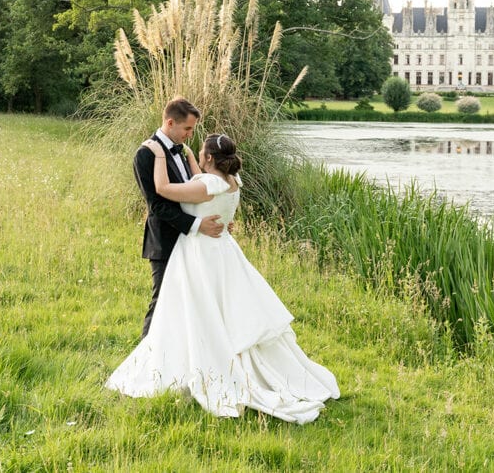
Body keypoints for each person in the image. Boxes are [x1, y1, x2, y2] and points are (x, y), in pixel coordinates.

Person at [106, 133, 339, 423]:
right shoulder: (232, 182)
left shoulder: (206, 185)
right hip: (224, 252)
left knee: (201, 310)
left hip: (199, 254)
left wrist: (160, 154)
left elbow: (162, 188)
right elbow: (201, 184)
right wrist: (193, 157)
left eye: (201, 152)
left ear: (209, 159)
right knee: (225, 311)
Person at [134, 98, 223, 338]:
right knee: (162, 300)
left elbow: (193, 193)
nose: (190, 134)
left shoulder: (182, 151)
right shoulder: (146, 154)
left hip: (191, 242)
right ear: (170, 122)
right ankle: (146, 356)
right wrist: (197, 225)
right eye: (187, 129)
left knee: (189, 302)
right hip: (165, 240)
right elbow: (157, 205)